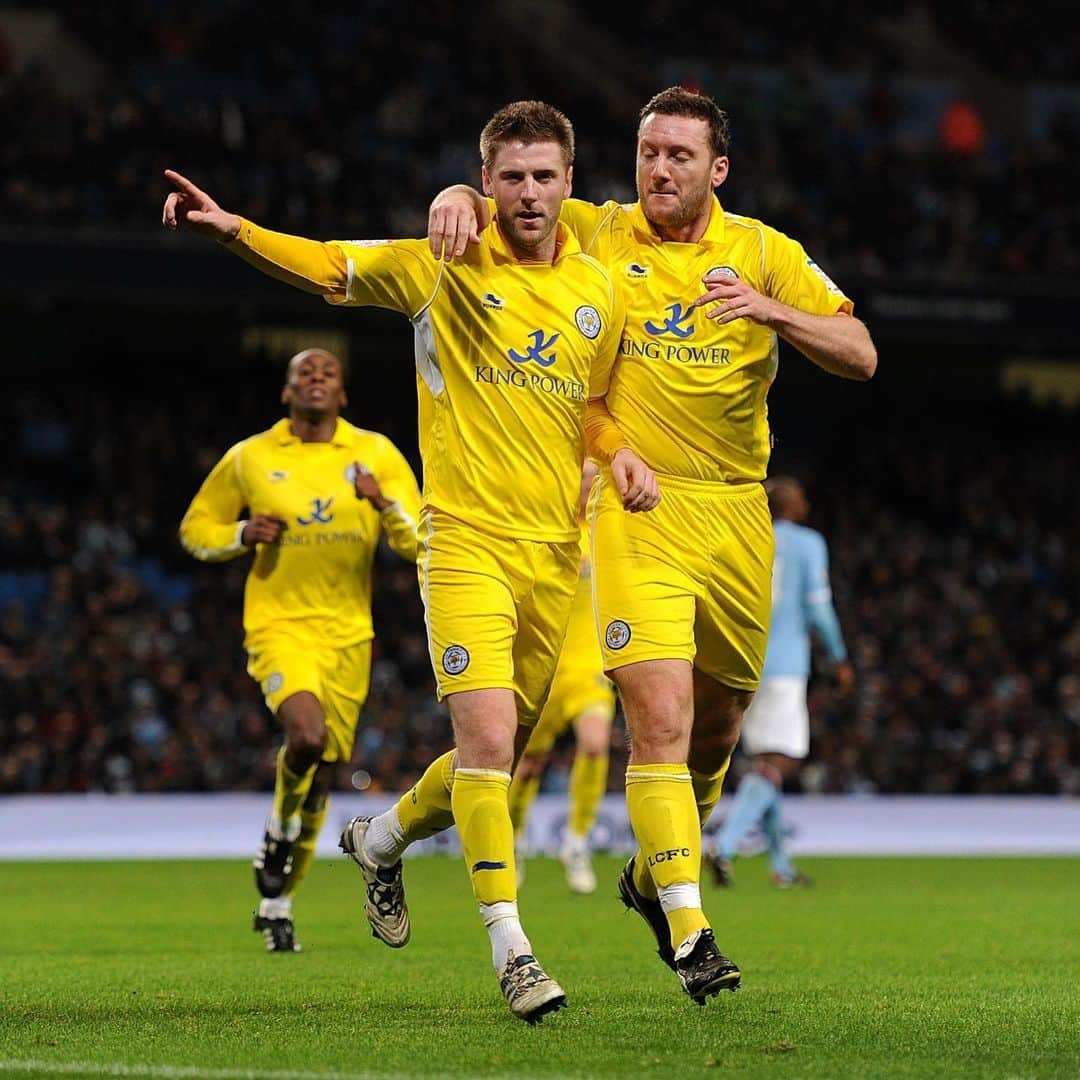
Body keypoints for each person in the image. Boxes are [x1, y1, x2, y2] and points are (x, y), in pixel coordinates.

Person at [162, 100, 658, 1023]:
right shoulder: (443, 265)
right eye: (508, 175)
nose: (527, 192)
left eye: (544, 175)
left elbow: (592, 409)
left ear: (569, 183)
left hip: (555, 556)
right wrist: (234, 229)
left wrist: (619, 451)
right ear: (488, 177)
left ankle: (380, 840)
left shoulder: (603, 289)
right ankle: (512, 948)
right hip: (464, 543)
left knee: (498, 759)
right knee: (485, 746)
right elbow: (330, 267)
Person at [426, 85, 877, 1003]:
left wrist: (770, 311)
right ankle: (687, 924)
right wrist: (458, 196)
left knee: (714, 734)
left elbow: (861, 351)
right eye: (646, 152)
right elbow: (519, 198)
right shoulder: (599, 231)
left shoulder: (764, 253)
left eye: (678, 155)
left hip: (739, 514)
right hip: (639, 510)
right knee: (659, 725)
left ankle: (647, 872)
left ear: (717, 170)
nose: (658, 169)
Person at [178, 347, 421, 953]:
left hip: (349, 635)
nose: (316, 379)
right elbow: (194, 529)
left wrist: (384, 502)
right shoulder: (251, 457)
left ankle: (277, 901)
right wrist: (240, 534)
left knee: (319, 779)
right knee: (306, 737)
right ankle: (277, 836)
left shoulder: (376, 454)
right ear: (286, 393)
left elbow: (422, 542)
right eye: (303, 373)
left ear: (343, 395)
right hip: (279, 624)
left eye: (328, 373)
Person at [705, 475, 853, 888]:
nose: (807, 503)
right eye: (803, 497)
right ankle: (725, 845)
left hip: (744, 662)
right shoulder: (808, 543)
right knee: (782, 762)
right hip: (785, 666)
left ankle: (780, 867)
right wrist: (839, 657)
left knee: (765, 764)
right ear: (791, 506)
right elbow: (819, 608)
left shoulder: (745, 536)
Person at [507, 460, 616, 895]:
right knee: (529, 764)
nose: (588, 487)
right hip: (544, 666)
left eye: (594, 480)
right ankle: (511, 840)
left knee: (594, 743)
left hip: (589, 666)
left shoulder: (607, 535)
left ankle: (576, 841)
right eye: (582, 480)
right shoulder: (543, 533)